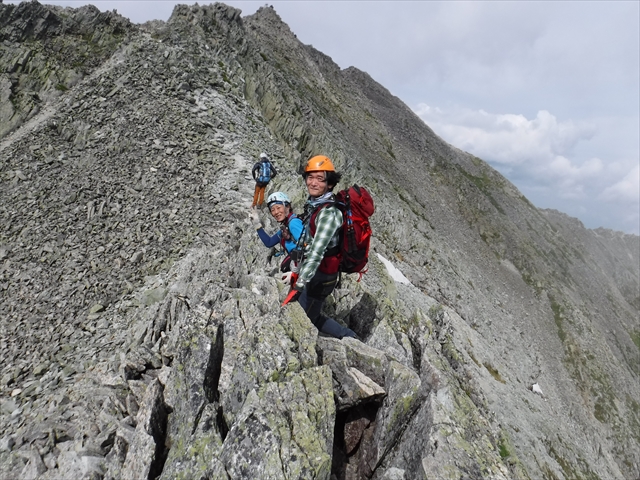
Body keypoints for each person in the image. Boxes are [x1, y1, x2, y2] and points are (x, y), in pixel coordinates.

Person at [283, 155, 358, 339]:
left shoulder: (329, 213)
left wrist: (299, 284)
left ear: (329, 184)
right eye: (310, 177)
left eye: (320, 179)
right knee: (311, 314)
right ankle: (348, 336)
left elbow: (317, 252)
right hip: (314, 272)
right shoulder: (316, 204)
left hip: (321, 275)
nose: (313, 183)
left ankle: (350, 338)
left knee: (306, 318)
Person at [250, 192, 303, 271]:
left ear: (287, 206)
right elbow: (269, 242)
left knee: (285, 266)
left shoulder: (293, 223)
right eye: (273, 210)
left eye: (278, 208)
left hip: (304, 264)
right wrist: (257, 224)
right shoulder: (285, 228)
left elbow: (308, 246)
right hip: (300, 264)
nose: (276, 212)